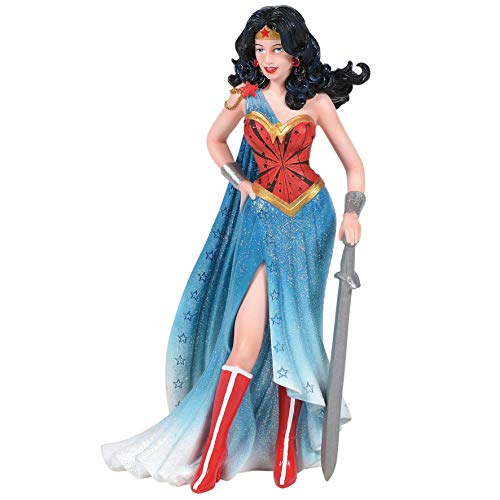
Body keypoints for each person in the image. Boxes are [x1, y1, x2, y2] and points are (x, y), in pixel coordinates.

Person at [101, 5, 369, 494]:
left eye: (278, 49)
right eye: (261, 49)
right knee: (246, 338)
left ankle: (286, 445)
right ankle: (214, 450)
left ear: (296, 52)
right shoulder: (244, 97)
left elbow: (354, 166)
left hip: (309, 221)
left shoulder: (317, 103)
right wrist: (239, 180)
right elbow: (214, 141)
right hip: (260, 220)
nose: (268, 58)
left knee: (297, 332)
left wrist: (353, 212)